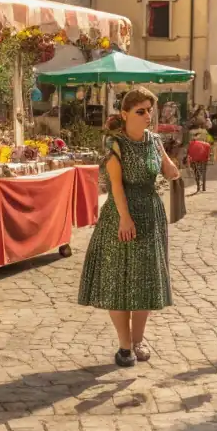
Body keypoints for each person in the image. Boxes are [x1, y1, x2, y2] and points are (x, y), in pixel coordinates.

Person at [77, 88, 181, 368]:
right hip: (121, 214)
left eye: (149, 110)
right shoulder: (116, 145)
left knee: (145, 281)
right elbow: (116, 186)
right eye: (141, 111)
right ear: (125, 114)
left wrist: (170, 164)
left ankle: (138, 341)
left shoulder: (154, 141)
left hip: (151, 214)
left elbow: (169, 172)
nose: (147, 116)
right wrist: (125, 217)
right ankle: (125, 346)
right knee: (118, 281)